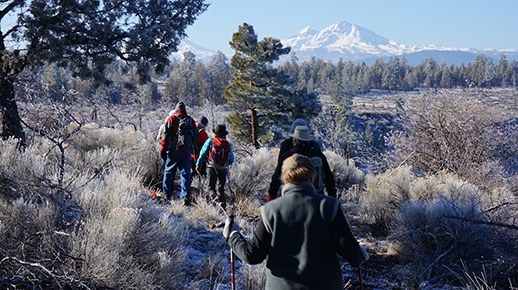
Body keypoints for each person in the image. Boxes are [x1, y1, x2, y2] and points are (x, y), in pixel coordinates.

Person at [223, 154, 369, 290]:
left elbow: (252, 255)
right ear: (312, 177)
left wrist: (233, 236)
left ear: (284, 179)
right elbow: (354, 256)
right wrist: (360, 252)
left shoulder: (271, 210)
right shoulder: (329, 206)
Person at [268, 126, 337, 201]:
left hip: (292, 197)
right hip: (316, 196)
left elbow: (276, 178)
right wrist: (332, 198)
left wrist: (272, 196)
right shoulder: (318, 155)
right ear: (308, 140)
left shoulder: (288, 155)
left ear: (295, 140)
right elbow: (329, 178)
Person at [160, 101, 199, 205]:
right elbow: (196, 136)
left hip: (174, 150)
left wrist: (163, 149)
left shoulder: (171, 118)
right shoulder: (190, 120)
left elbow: (165, 136)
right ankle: (185, 198)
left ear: (176, 109)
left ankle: (167, 195)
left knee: (169, 172)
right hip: (186, 150)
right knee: (185, 174)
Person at [196, 124, 234, 209]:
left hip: (211, 166)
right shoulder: (227, 143)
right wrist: (225, 164)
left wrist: (198, 164)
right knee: (221, 187)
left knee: (211, 187)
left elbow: (203, 153)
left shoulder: (210, 141)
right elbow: (231, 159)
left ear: (215, 133)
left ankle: (215, 200)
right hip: (223, 168)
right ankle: (222, 204)